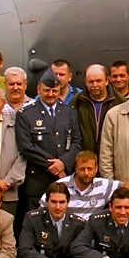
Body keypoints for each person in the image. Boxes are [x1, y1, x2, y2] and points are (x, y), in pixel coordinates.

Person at [16, 68, 78, 214]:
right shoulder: (26, 114)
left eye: (54, 91)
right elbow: (26, 147)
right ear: (38, 89)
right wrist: (53, 166)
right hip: (37, 181)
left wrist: (63, 163)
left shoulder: (69, 112)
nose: (51, 94)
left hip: (64, 178)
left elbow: (77, 142)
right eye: (47, 90)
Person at [58, 150, 120, 222]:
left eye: (90, 169)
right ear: (76, 168)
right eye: (82, 169)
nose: (86, 173)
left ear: (96, 168)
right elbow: (43, 207)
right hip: (69, 231)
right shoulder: (61, 185)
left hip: (93, 231)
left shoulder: (104, 185)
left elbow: (127, 185)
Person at [73, 64, 117, 154]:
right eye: (91, 81)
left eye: (98, 81)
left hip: (110, 157)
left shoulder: (119, 101)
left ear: (107, 80)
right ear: (85, 81)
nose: (95, 85)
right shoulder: (77, 101)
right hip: (85, 160)